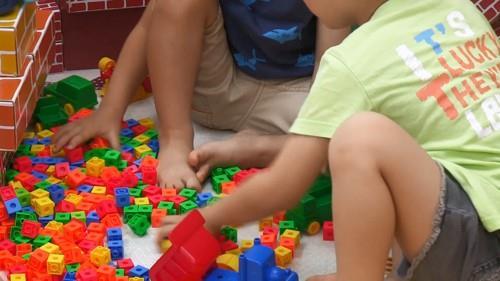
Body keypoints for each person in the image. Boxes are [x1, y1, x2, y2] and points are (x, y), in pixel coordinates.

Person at [159, 0, 500, 280]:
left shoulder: (351, 61)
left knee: (359, 138)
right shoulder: (461, 9)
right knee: (410, 139)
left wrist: (209, 218)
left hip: (479, 249)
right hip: (476, 220)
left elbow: (284, 185)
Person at [52, 0, 350, 190]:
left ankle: (263, 148)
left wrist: (317, 132)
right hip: (219, 88)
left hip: (296, 96)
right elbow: (154, 21)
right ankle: (175, 139)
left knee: (355, 142)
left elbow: (330, 76)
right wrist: (110, 109)